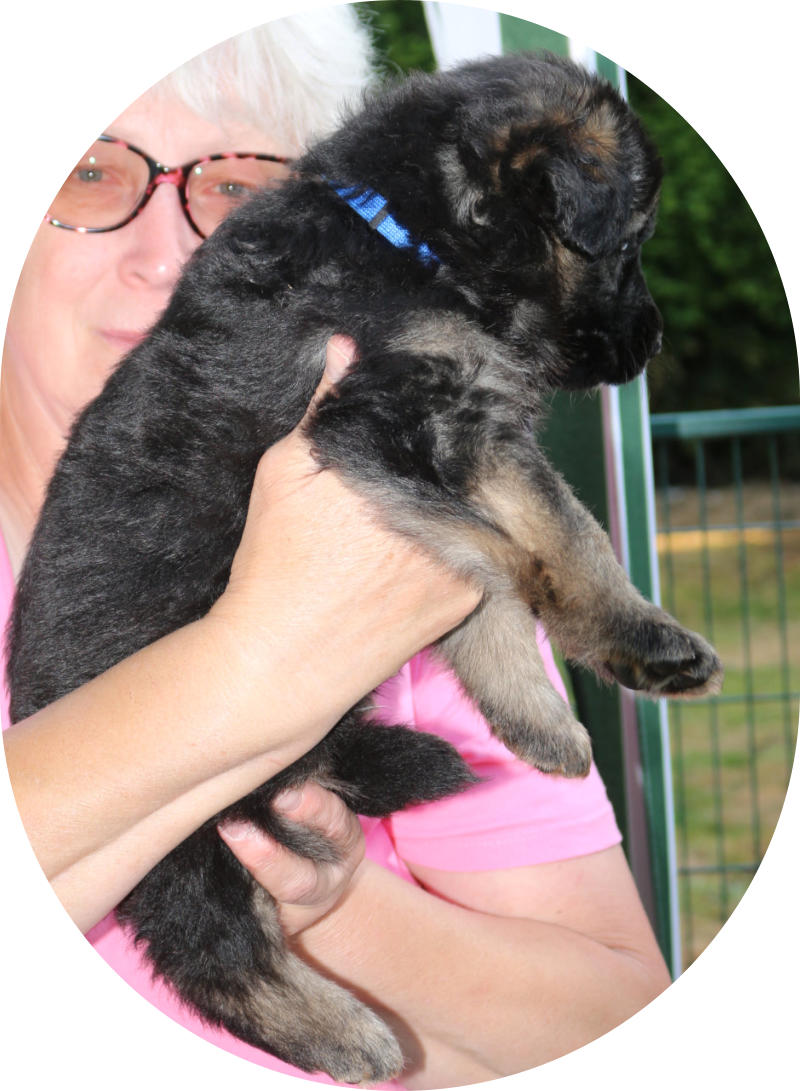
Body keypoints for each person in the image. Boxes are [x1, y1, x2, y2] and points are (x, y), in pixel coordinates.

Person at [0, 7, 670, 1088]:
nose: (169, 253)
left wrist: (336, 898)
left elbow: (617, 1026)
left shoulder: (409, 560)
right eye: (88, 174)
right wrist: (263, 660)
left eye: (237, 187)